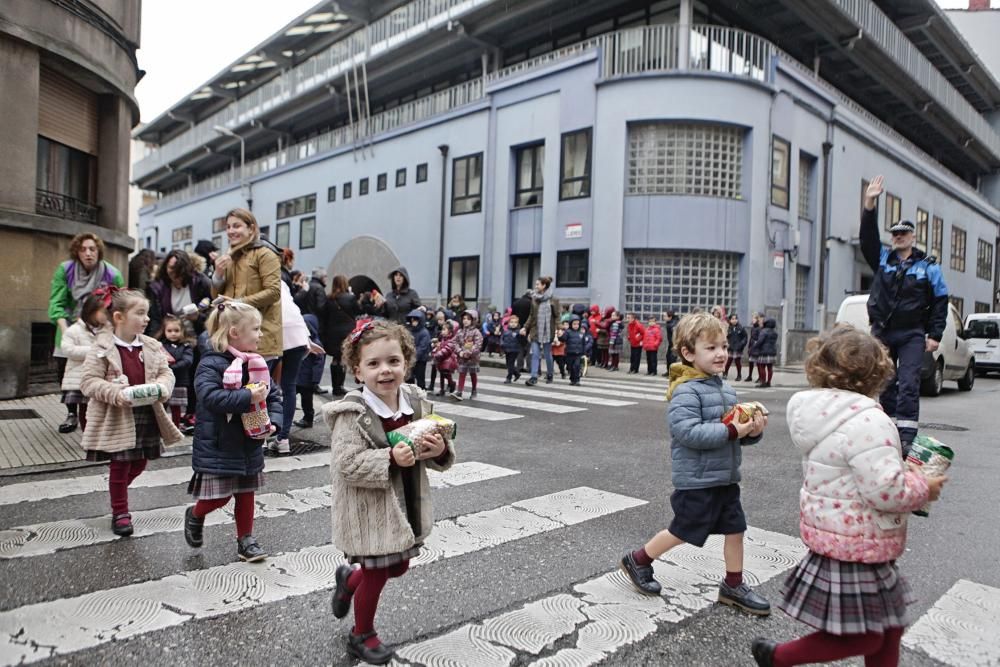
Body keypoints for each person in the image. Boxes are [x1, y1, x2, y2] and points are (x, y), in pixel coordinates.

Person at [751, 326, 947, 667]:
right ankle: (779, 658)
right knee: (869, 635)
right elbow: (886, 491)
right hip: (858, 545)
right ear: (878, 374)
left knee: (890, 626)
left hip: (841, 538)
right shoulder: (869, 421)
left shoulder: (822, 416)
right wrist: (922, 487)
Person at [619, 312, 770, 615]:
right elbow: (687, 432)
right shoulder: (685, 391)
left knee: (736, 528)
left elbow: (733, 432)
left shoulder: (725, 388)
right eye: (711, 348)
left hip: (726, 477)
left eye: (724, 346)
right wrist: (730, 431)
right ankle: (638, 559)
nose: (722, 354)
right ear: (688, 353)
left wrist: (751, 432)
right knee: (683, 529)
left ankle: (733, 584)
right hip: (697, 478)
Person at [323, 319, 455, 664]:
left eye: (393, 361)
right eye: (374, 364)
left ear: (406, 362)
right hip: (371, 509)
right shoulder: (352, 413)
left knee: (397, 567)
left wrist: (438, 449)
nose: (385, 371)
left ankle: (349, 581)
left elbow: (437, 443)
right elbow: (347, 464)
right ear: (357, 370)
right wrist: (390, 458)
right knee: (379, 573)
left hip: (406, 503)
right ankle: (361, 634)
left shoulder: (414, 400)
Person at [79, 288, 183, 536]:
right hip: (117, 415)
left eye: (147, 313)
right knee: (120, 464)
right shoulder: (102, 347)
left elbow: (166, 373)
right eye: (140, 313)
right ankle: (120, 512)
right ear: (119, 317)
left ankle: (117, 490)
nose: (147, 319)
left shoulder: (151, 345)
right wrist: (116, 393)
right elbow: (88, 382)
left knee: (141, 462)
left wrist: (162, 387)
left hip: (147, 413)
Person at [185, 300, 281, 562]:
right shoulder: (211, 364)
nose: (261, 334)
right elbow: (209, 397)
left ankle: (246, 540)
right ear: (235, 333)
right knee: (219, 497)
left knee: (246, 493)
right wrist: (246, 397)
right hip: (220, 443)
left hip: (250, 442)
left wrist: (274, 421)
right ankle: (196, 514)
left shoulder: (257, 364)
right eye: (256, 329)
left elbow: (274, 395)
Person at [861, 175, 949, 456]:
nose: (898, 237)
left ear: (912, 237)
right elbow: (867, 238)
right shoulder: (882, 260)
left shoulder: (927, 267)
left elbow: (940, 300)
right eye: (895, 234)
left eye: (903, 234)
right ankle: (888, 430)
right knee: (885, 382)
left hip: (912, 333)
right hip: (884, 331)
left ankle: (907, 435)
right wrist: (869, 203)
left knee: (910, 383)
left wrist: (934, 334)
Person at [49, 232, 125, 433]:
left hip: (101, 328)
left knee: (100, 369)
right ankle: (72, 411)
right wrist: (67, 330)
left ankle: (98, 411)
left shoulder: (111, 273)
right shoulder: (66, 270)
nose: (88, 253)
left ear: (99, 251)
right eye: (83, 249)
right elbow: (56, 302)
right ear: (77, 252)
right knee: (66, 368)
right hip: (71, 324)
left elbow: (120, 303)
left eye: (92, 249)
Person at [211, 208, 283, 364]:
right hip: (234, 338)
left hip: (260, 337)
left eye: (236, 226)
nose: (231, 231)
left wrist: (238, 303)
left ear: (251, 228)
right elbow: (217, 295)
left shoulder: (265, 253)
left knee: (258, 386)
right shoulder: (230, 256)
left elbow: (274, 292)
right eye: (228, 227)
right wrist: (217, 274)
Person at [269, 279, 311, 455]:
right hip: (298, 331)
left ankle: (263, 434)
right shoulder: (281, 282)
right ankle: (283, 438)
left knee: (260, 384)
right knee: (289, 387)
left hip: (273, 331)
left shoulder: (254, 277)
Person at [59, 293, 108, 433]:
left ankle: (96, 435)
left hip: (99, 376)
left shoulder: (106, 330)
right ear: (91, 311)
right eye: (104, 312)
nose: (107, 315)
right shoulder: (74, 330)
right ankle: (87, 436)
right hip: (79, 376)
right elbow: (67, 349)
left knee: (97, 409)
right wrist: (93, 351)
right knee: (84, 409)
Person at [148, 249, 214, 336]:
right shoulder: (158, 287)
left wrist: (198, 318)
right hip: (169, 337)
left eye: (179, 270)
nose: (175, 274)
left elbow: (214, 313)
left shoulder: (200, 282)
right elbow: (155, 319)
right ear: (165, 267)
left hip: (198, 334)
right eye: (171, 268)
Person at [320, 274, 364, 396]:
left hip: (332, 333)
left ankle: (335, 386)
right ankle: (340, 386)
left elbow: (324, 316)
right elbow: (358, 310)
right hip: (346, 333)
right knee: (343, 359)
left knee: (335, 359)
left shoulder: (329, 299)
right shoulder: (350, 297)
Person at [159, 314, 195, 432]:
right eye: (169, 331)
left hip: (180, 381)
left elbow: (187, 361)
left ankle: (176, 426)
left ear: (182, 331)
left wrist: (171, 367)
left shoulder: (186, 346)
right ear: (164, 331)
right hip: (164, 381)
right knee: (162, 405)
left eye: (176, 330)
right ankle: (163, 427)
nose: (173, 333)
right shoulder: (161, 346)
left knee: (176, 406)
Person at [523, 277, 561, 386]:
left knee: (548, 355)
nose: (535, 287)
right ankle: (534, 377)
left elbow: (558, 316)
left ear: (544, 285)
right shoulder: (534, 299)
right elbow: (531, 316)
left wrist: (559, 329)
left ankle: (550, 373)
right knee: (535, 354)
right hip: (536, 330)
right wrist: (525, 327)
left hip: (548, 331)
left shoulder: (554, 299)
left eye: (537, 284)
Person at [293, 314, 325, 430]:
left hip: (307, 380)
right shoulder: (301, 341)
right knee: (291, 398)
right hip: (297, 378)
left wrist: (315, 380)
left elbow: (319, 364)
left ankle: (308, 419)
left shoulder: (315, 344)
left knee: (307, 401)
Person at [450, 310, 483, 401]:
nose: (465, 321)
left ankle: (474, 390)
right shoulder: (460, 331)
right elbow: (454, 342)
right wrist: (460, 351)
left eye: (468, 319)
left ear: (473, 320)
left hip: (473, 358)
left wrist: (468, 353)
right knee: (462, 373)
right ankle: (459, 391)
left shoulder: (476, 332)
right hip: (462, 357)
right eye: (464, 318)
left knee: (473, 373)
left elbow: (478, 344)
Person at [431, 320, 459, 396]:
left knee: (447, 374)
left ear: (450, 331)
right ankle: (442, 389)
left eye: (444, 330)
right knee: (441, 375)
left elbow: (446, 349)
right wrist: (436, 349)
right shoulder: (443, 339)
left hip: (448, 361)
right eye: (442, 329)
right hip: (442, 360)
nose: (442, 331)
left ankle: (451, 383)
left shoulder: (451, 341)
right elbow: (440, 347)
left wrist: (438, 353)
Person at [406, 309, 431, 389]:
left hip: (420, 359)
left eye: (415, 320)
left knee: (420, 378)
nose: (413, 322)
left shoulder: (424, 332)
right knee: (409, 377)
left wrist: (414, 356)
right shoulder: (410, 331)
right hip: (411, 358)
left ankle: (422, 392)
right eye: (412, 320)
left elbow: (422, 347)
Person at [751, 318, 779, 388]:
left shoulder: (764, 331)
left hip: (763, 351)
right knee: (770, 368)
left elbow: (760, 341)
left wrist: (753, 347)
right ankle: (768, 382)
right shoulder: (775, 333)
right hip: (772, 351)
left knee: (761, 367)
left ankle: (763, 382)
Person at [563, 315, 587, 386]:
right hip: (570, 353)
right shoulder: (568, 332)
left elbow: (583, 343)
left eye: (577, 324)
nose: (576, 326)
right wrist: (561, 335)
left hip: (578, 353)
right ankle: (572, 379)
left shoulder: (581, 333)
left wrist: (584, 352)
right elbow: (563, 339)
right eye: (574, 324)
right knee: (570, 367)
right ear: (571, 324)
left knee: (576, 366)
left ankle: (577, 380)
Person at [724, 314, 748, 381]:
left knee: (737, 362)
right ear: (730, 320)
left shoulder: (741, 328)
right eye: (732, 319)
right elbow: (726, 337)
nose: (734, 320)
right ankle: (725, 373)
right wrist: (726, 343)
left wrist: (742, 344)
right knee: (728, 361)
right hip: (730, 347)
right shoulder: (729, 328)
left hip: (738, 348)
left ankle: (739, 375)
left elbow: (745, 337)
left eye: (735, 319)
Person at [501, 314, 522, 384]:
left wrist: (521, 335)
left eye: (515, 322)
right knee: (508, 364)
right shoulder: (506, 331)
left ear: (517, 323)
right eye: (511, 322)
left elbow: (522, 340)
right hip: (507, 349)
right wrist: (502, 344)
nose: (513, 324)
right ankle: (516, 373)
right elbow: (502, 338)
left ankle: (508, 377)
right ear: (509, 323)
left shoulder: (518, 331)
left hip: (515, 350)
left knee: (510, 364)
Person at [744, 313, 762, 383]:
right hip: (752, 346)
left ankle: (760, 377)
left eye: (754, 318)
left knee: (758, 363)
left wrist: (755, 344)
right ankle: (750, 376)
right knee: (750, 362)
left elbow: (759, 338)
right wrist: (749, 347)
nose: (753, 320)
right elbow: (751, 338)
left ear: (757, 320)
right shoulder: (753, 328)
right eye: (753, 318)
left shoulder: (759, 328)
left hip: (756, 347)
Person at [661, 310, 677, 376]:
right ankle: (668, 372)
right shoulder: (669, 322)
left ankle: (672, 374)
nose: (663, 317)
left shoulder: (673, 324)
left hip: (674, 344)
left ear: (670, 317)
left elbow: (675, 335)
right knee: (668, 358)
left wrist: (675, 345)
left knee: (672, 359)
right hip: (671, 344)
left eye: (665, 316)